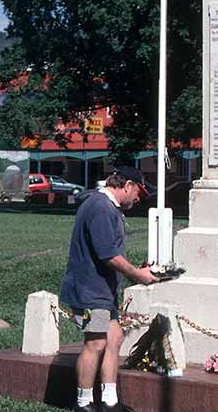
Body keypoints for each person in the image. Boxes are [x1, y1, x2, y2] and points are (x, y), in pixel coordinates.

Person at [60, 166, 159, 412]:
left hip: (102, 291)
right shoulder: (101, 207)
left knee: (113, 339)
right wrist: (138, 274)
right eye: (138, 192)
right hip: (90, 290)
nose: (138, 199)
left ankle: (109, 402)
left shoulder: (105, 207)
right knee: (95, 344)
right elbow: (108, 255)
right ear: (127, 186)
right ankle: (83, 404)